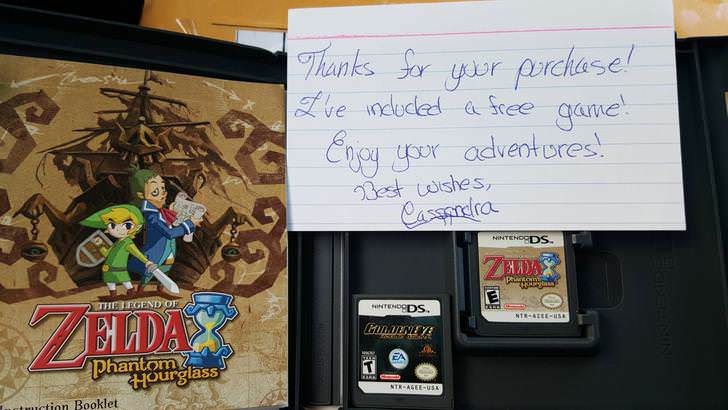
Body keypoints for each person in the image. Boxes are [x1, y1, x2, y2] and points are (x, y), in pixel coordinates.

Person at [127, 167, 202, 293]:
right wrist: (189, 224)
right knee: (150, 272)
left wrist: (181, 214)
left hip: (169, 249)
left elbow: (171, 220)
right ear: (141, 195)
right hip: (157, 250)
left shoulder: (161, 210)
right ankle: (140, 290)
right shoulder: (151, 215)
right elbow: (169, 233)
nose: (163, 193)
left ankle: (160, 290)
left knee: (166, 269)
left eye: (163, 188)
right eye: (155, 191)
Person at [80, 204, 154, 298]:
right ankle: (113, 295)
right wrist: (100, 245)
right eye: (112, 225)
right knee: (110, 281)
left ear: (136, 227)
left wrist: (146, 262)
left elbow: (137, 253)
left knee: (125, 280)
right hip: (109, 269)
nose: (118, 229)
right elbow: (106, 254)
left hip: (119, 269)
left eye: (127, 225)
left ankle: (131, 291)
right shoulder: (116, 243)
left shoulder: (127, 243)